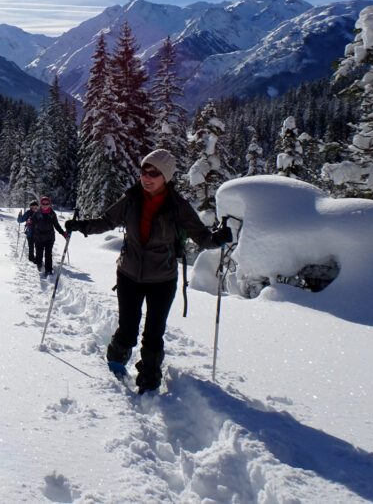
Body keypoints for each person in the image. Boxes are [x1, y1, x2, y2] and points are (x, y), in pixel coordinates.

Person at [64, 149, 232, 394]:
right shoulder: (131, 198)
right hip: (129, 274)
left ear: (166, 176)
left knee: (154, 332)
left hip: (162, 279)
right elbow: (107, 221)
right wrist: (82, 226)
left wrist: (217, 240)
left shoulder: (177, 206)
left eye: (154, 172)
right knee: (128, 327)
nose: (147, 177)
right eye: (144, 170)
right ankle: (115, 363)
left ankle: (149, 379)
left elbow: (201, 237)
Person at [31, 196, 67, 279]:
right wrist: (29, 223)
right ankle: (39, 264)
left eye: (47, 203)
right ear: (41, 203)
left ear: (49, 204)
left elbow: (56, 225)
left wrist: (63, 233)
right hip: (38, 237)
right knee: (39, 252)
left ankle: (48, 270)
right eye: (43, 203)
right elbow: (32, 222)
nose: (45, 205)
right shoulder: (37, 213)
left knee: (48, 254)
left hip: (49, 237)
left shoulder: (52, 214)